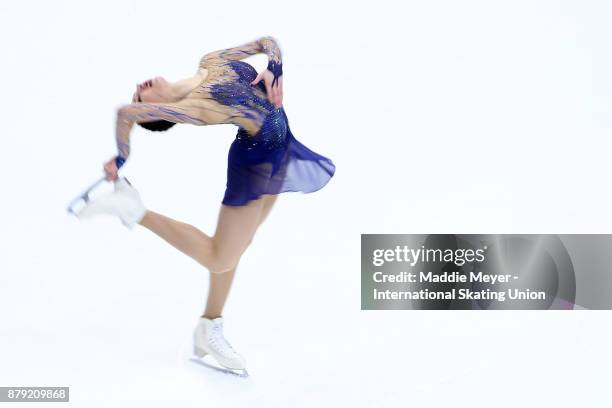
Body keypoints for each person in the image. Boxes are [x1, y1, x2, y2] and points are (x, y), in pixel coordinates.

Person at [75, 36, 336, 374]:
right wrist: (122, 158)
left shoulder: (211, 61)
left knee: (237, 247)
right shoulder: (195, 109)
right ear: (156, 111)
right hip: (254, 164)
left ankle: (208, 327)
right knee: (220, 256)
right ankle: (133, 210)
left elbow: (267, 42)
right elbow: (126, 113)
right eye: (142, 96)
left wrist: (275, 67)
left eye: (138, 90)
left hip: (281, 149)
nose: (139, 88)